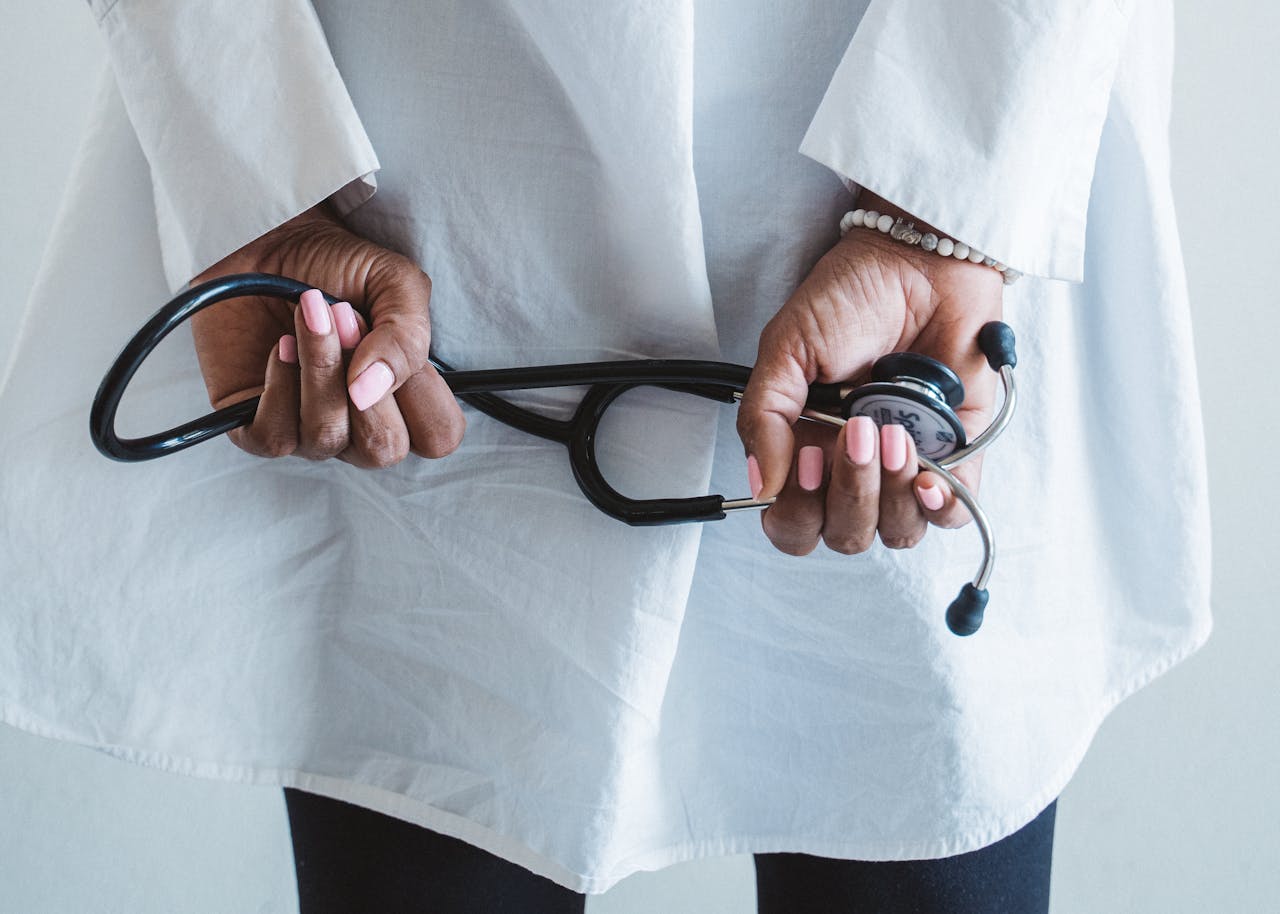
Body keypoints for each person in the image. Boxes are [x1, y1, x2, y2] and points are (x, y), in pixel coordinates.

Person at [0, 1, 1210, 911]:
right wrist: (255, 169)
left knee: (917, 775)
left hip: (928, 230)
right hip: (408, 181)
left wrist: (950, 201)